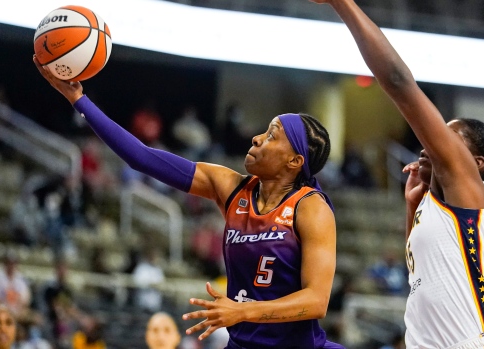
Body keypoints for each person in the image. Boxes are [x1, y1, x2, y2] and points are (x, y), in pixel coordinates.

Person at [33, 56, 342, 349]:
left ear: (294, 161)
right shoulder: (230, 187)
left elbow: (316, 301)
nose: (257, 138)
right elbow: (142, 157)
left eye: (272, 136)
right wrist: (79, 100)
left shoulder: (310, 208)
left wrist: (245, 312)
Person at [313, 1, 484, 348]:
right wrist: (413, 208)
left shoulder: (469, 186)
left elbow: (397, 80)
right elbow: (423, 278)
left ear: (476, 163)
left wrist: (343, 4)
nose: (431, 139)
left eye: (448, 135)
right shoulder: (448, 208)